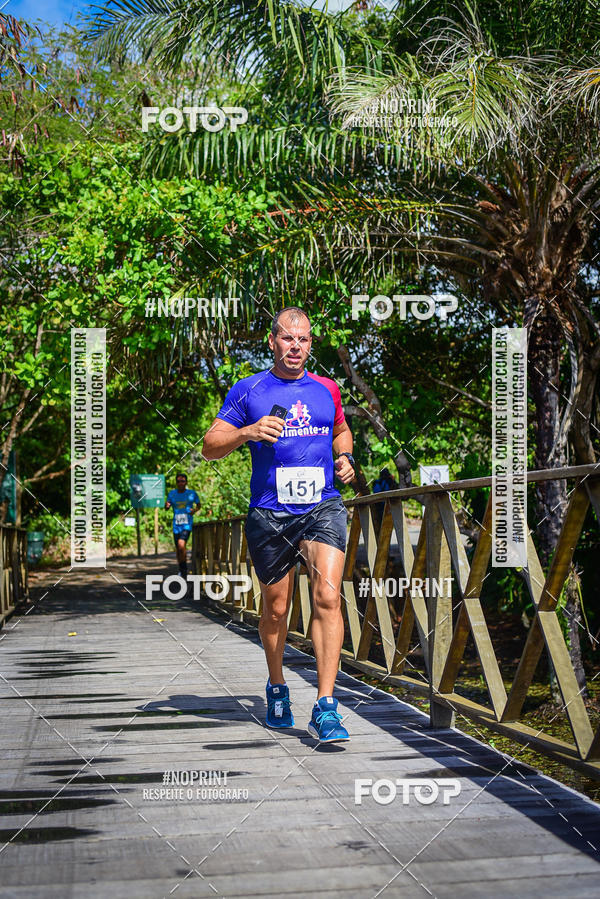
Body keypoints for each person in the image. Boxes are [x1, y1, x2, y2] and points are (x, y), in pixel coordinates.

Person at [202, 307, 356, 742]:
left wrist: (345, 458)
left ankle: (326, 706)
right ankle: (277, 685)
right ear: (272, 341)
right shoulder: (249, 389)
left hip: (322, 506)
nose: (296, 347)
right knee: (276, 607)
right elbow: (210, 446)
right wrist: (247, 432)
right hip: (270, 513)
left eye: (304, 340)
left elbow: (340, 431)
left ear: (311, 344)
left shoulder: (327, 388)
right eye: (288, 339)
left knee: (327, 595)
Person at [165, 473, 200, 579]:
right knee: (178, 549)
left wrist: (194, 511)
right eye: (178, 481)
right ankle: (181, 568)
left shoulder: (191, 493)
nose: (180, 483)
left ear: (186, 482)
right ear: (176, 483)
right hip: (176, 525)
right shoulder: (172, 494)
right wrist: (166, 506)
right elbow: (166, 506)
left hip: (187, 524)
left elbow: (199, 505)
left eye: (183, 481)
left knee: (181, 545)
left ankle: (184, 570)